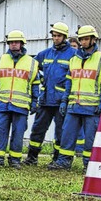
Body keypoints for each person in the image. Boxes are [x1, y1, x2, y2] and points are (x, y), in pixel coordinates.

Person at [49, 25, 101, 171]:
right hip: (73, 106)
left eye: (86, 39)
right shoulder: (74, 60)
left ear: (93, 39)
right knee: (67, 135)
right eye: (81, 39)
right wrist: (65, 100)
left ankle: (89, 165)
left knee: (90, 139)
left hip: (92, 107)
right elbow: (69, 82)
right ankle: (64, 162)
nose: (83, 42)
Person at [22, 23, 76, 166]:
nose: (55, 38)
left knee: (61, 132)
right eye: (54, 35)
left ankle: (58, 159)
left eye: (58, 36)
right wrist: (40, 79)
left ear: (64, 37)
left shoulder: (73, 55)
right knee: (38, 129)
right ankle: (31, 157)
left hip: (61, 101)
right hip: (45, 100)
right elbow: (32, 67)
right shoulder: (45, 53)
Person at [0, 30, 40, 169]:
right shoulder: (0, 60)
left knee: (18, 133)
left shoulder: (32, 63)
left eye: (16, 42)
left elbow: (35, 84)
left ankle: (15, 160)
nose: (13, 44)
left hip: (21, 105)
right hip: (2, 103)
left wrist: (35, 101)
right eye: (11, 42)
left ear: (22, 44)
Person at [68, 36, 86, 157]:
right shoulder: (72, 61)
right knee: (66, 129)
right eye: (71, 46)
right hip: (69, 100)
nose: (73, 49)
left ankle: (79, 150)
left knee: (81, 130)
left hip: (83, 101)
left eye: (75, 46)